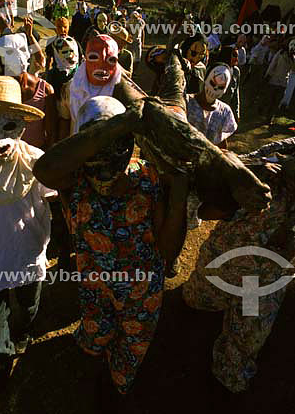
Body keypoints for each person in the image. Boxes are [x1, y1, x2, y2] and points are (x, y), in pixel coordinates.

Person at [32, 95, 188, 412]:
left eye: (119, 141)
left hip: (141, 290)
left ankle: (117, 388)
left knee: (130, 348)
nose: (108, 153)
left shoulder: (148, 177)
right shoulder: (72, 178)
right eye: (97, 138)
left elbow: (168, 251)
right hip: (94, 285)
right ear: (83, 140)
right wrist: (122, 122)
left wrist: (178, 199)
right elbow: (44, 169)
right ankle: (97, 368)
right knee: (96, 334)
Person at [0, 73, 56, 394]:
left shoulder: (38, 163)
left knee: (27, 308)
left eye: (6, 127)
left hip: (27, 257)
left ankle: (22, 334)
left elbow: (66, 197)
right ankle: (1, 362)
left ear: (20, 123)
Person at [182, 142, 295, 393]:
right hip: (225, 258)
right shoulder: (281, 152)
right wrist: (253, 170)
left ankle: (223, 387)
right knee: (194, 301)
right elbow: (227, 161)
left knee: (238, 355)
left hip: (262, 279)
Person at [0, 20, 57, 149]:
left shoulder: (45, 90)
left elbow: (51, 132)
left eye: (20, 51)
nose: (16, 58)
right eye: (9, 53)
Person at [185, 63, 237, 149]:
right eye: (212, 83)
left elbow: (221, 143)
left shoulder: (225, 113)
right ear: (206, 79)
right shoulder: (186, 101)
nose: (215, 89)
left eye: (221, 87)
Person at [217, 45, 241, 122]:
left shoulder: (236, 71)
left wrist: (236, 112)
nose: (236, 59)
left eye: (237, 56)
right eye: (234, 55)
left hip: (225, 109)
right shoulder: (217, 70)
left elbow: (236, 93)